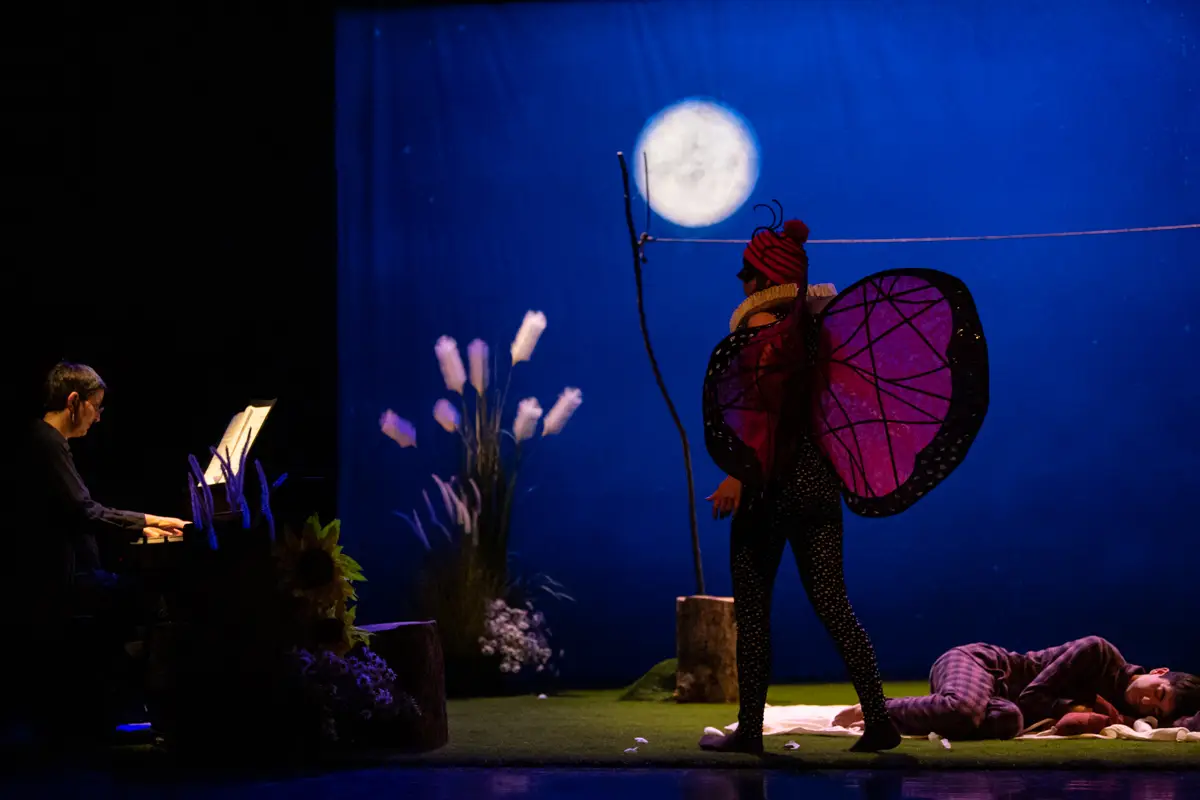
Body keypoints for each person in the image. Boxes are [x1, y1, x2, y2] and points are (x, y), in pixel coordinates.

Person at [698, 204, 990, 754]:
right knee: (835, 606)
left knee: (755, 613)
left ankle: (751, 731)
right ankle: (879, 720)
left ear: (761, 280)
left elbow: (759, 418)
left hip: (769, 489)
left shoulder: (752, 344)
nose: (740, 280)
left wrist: (739, 473)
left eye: (746, 272)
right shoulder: (820, 339)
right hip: (818, 486)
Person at [831, 635, 1200, 738]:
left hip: (999, 703)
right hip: (981, 664)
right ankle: (877, 709)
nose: (1147, 700)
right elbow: (1032, 696)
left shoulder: (1121, 712)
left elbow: (1186, 725)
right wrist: (1077, 709)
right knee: (965, 709)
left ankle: (931, 711)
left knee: (1009, 721)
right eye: (1159, 691)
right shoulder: (1099, 652)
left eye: (1154, 708)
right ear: (1159, 671)